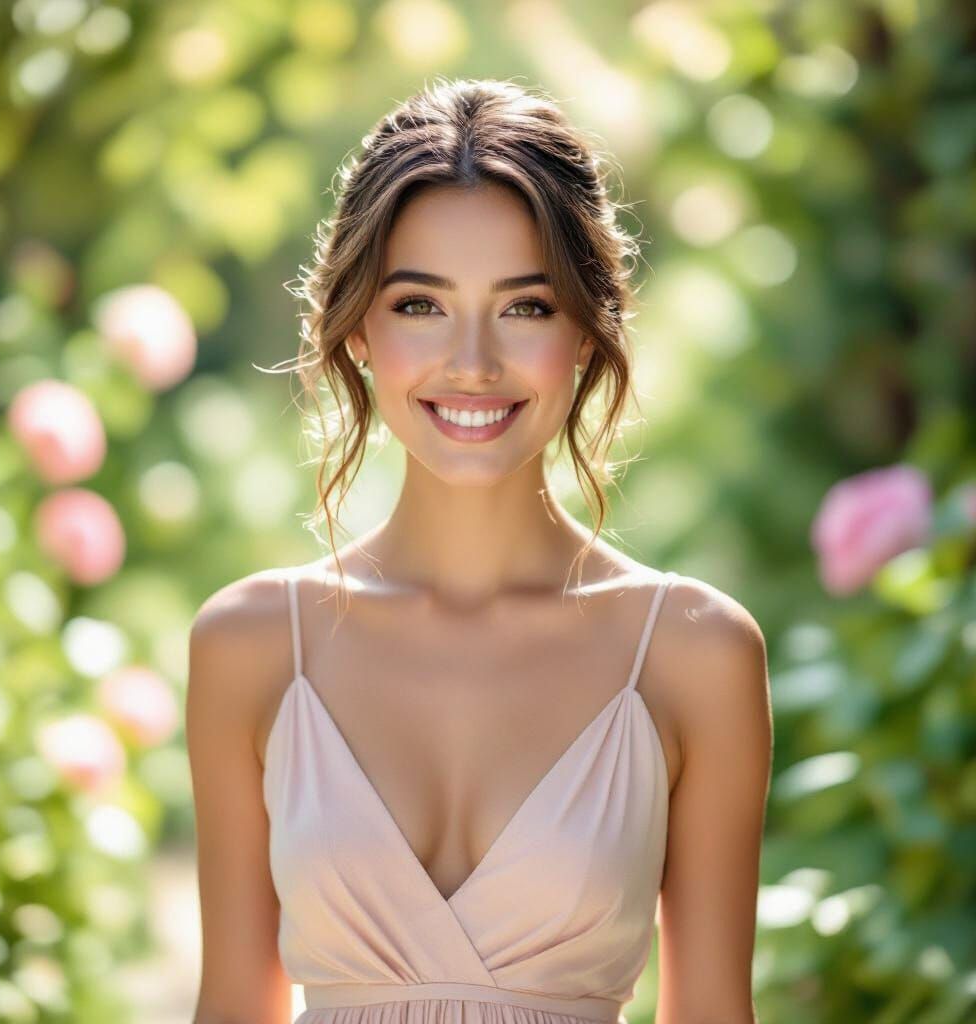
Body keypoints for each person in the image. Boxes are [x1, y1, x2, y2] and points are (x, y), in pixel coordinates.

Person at [187, 78, 772, 1024]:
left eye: (525, 308)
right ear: (359, 329)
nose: (472, 362)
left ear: (586, 328)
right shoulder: (250, 646)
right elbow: (230, 1009)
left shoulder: (694, 653)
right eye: (420, 304)